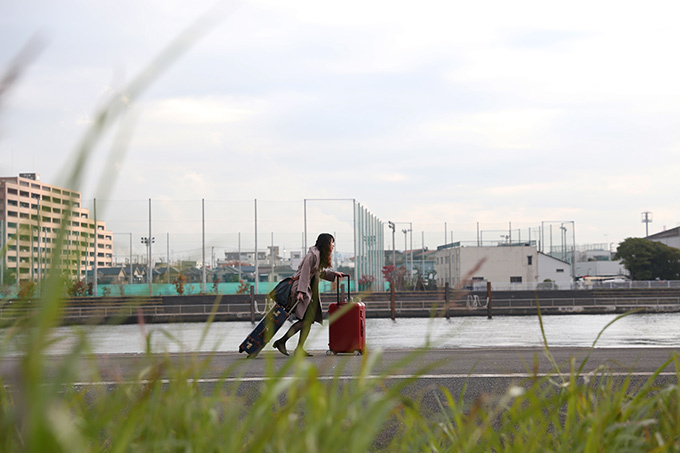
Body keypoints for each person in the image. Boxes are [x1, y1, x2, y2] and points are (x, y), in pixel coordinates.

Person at [273, 233, 346, 357]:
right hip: (302, 292)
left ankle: (298, 348)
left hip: (309, 292)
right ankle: (282, 342)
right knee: (306, 321)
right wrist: (301, 292)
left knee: (308, 321)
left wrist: (334, 274)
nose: (333, 245)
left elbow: (319, 273)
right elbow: (304, 274)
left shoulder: (318, 255)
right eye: (332, 242)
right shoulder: (312, 255)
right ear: (326, 243)